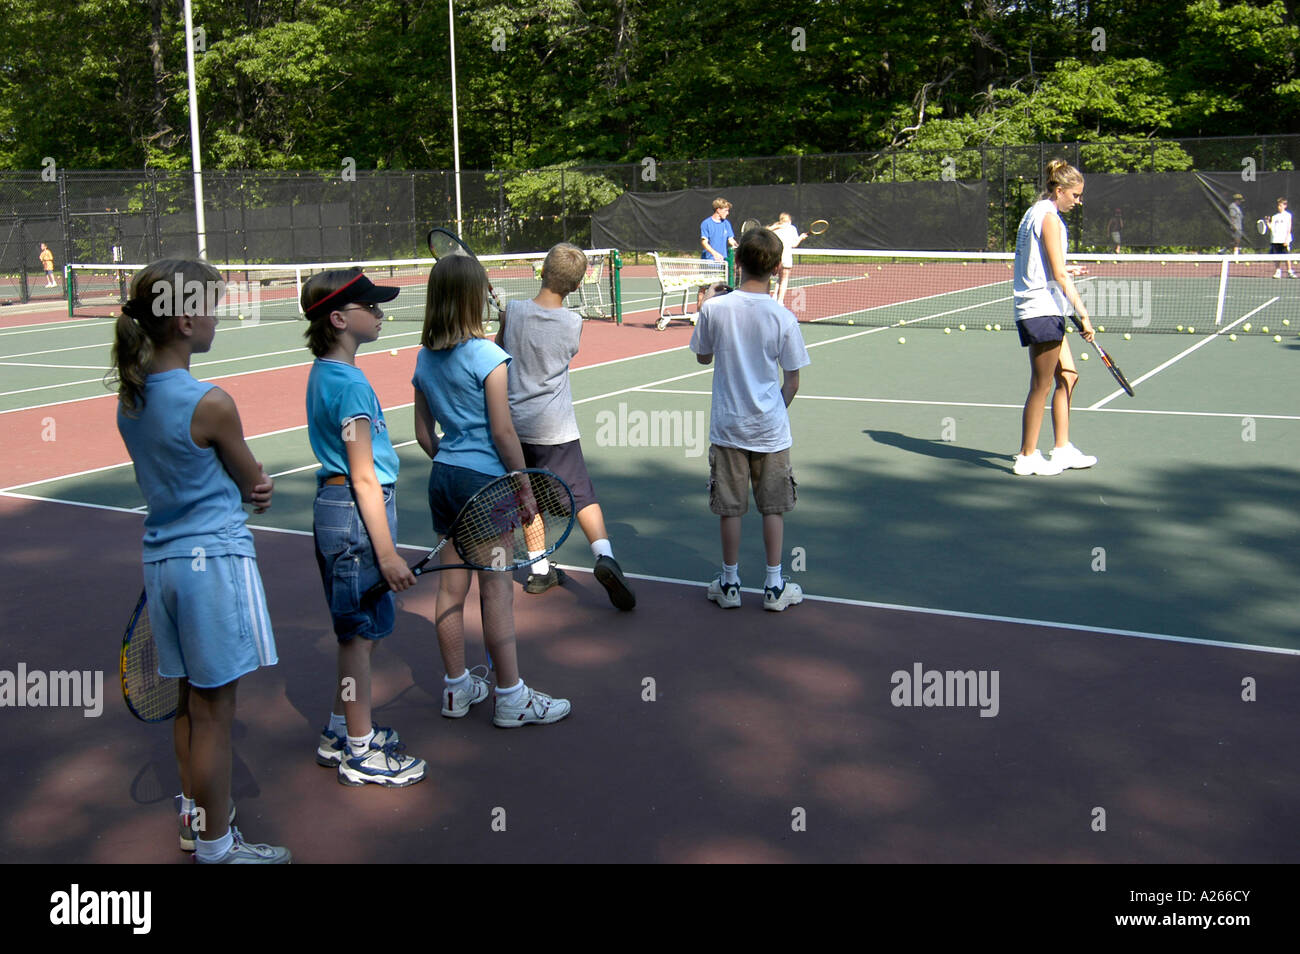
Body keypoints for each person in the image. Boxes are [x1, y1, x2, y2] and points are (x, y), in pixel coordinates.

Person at [111, 259, 289, 863]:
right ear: (186, 320)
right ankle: (218, 846)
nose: (218, 315)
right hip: (212, 563)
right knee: (216, 713)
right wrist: (255, 486)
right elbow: (252, 481)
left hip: (162, 563)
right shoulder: (210, 403)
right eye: (211, 305)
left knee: (187, 705)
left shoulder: (129, 401)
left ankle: (196, 817)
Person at [413, 253, 571, 727]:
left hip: (444, 477)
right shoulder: (488, 357)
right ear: (473, 297)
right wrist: (523, 487)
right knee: (497, 590)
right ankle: (510, 696)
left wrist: (453, 459)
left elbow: (425, 435)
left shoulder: (423, 357)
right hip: (487, 484)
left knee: (450, 588)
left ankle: (456, 690)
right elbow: (504, 434)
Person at [302, 268, 426, 787]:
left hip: (341, 509)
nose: (379, 313)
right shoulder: (349, 384)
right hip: (355, 514)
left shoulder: (326, 374)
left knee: (362, 632)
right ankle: (360, 752)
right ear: (338, 318)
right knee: (358, 637)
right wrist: (389, 553)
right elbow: (362, 473)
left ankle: (339, 730)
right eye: (369, 307)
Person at [496, 242, 636, 609]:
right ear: (575, 287)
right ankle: (605, 556)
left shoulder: (512, 312)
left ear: (540, 270)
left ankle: (539, 569)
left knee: (526, 495)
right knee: (582, 495)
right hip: (556, 428)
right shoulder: (574, 323)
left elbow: (500, 351)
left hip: (514, 427)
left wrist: (505, 318)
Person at [690, 227, 810, 612]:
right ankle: (774, 587)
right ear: (777, 268)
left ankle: (729, 584)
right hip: (771, 431)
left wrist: (705, 304)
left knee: (730, 507)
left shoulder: (714, 309)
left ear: (737, 262)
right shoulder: (783, 317)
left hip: (727, 428)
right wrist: (772, 410)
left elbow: (703, 357)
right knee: (772, 507)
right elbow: (792, 381)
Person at [1011, 159, 1098, 477]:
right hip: (1040, 310)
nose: (1078, 201)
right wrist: (1083, 313)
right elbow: (1058, 273)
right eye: (1075, 195)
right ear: (1059, 190)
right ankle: (1027, 456)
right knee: (1041, 385)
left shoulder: (1034, 213)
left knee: (1069, 376)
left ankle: (1061, 449)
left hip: (1047, 307)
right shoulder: (1048, 217)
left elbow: (1045, 262)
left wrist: (1063, 270)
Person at [766, 213, 807, 306]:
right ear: (789, 220)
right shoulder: (792, 228)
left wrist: (774, 226)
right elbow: (794, 244)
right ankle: (780, 301)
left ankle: (774, 296)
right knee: (784, 279)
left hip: (774, 257)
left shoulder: (774, 228)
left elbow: (765, 232)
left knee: (777, 278)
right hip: (786, 257)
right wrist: (801, 237)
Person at [1266, 197, 1295, 279]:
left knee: (1286, 256)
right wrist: (1268, 222)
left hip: (1284, 240)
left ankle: (1289, 271)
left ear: (1285, 205)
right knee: (1276, 256)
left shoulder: (1288, 215)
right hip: (1275, 240)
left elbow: (1289, 228)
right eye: (1278, 205)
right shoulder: (1275, 217)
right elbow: (1272, 228)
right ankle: (1278, 271)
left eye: (1280, 205)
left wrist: (1286, 240)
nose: (1279, 207)